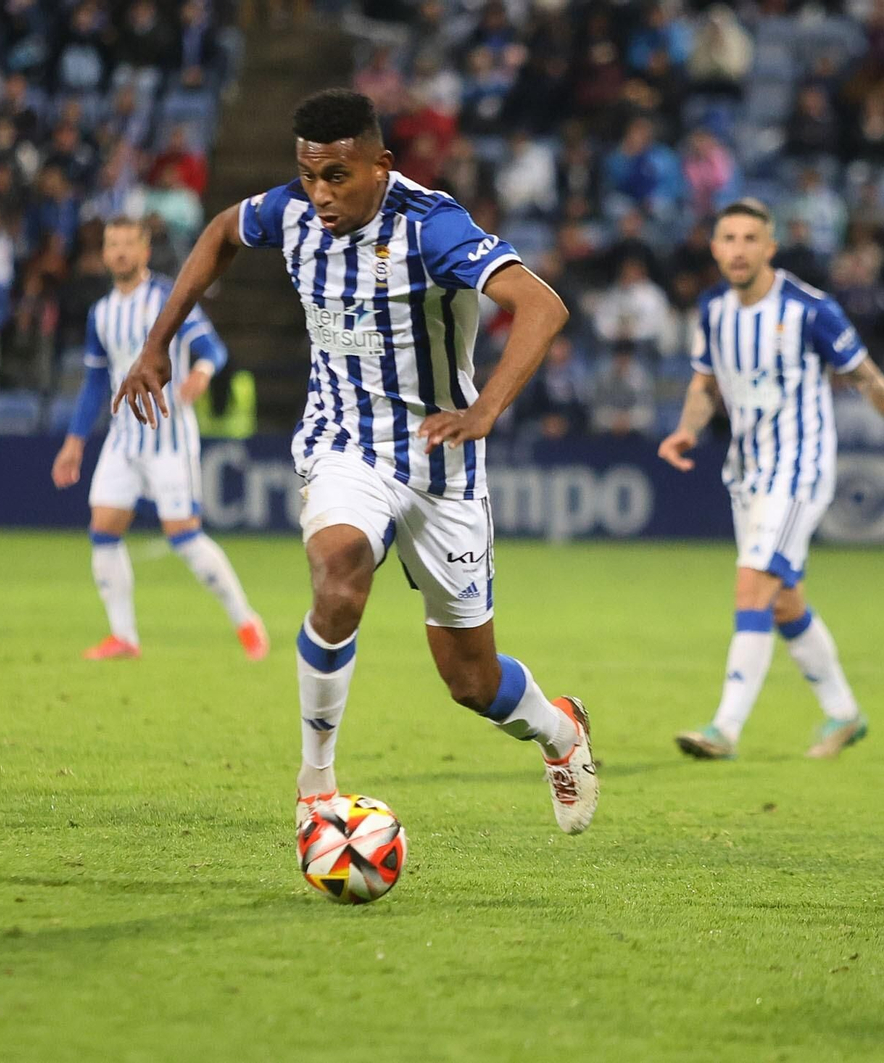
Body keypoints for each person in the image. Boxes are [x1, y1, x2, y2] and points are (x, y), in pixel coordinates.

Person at [111, 90, 597, 835]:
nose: (320, 194)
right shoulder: (294, 212)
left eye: (337, 175)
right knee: (338, 570)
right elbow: (219, 233)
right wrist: (156, 344)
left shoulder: (432, 228)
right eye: (308, 175)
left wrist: (484, 409)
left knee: (471, 681)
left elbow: (542, 305)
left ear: (382, 165)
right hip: (344, 445)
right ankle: (316, 788)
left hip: (441, 464)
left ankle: (560, 732)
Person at [658, 199, 884, 761]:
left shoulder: (811, 310)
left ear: (770, 248)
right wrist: (686, 431)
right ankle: (844, 713)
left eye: (751, 238)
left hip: (800, 469)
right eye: (729, 238)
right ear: (715, 248)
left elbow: (868, 379)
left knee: (753, 584)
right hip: (747, 471)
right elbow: (704, 384)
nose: (739, 249)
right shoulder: (713, 308)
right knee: (781, 601)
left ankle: (725, 728)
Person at [52, 216, 268, 663]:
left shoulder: (169, 298)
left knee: (184, 537)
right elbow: (96, 382)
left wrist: (202, 374)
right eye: (113, 243)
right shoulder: (102, 313)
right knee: (103, 530)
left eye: (129, 243)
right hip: (122, 440)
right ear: (105, 252)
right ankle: (124, 637)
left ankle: (245, 620)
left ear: (145, 251)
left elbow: (213, 349)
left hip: (168, 438)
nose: (120, 252)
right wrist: (75, 440)